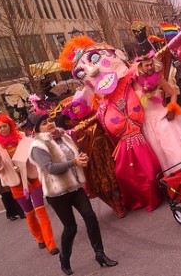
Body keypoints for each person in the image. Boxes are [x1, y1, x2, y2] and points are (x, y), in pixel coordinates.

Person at [59, 36, 163, 212]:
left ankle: (156, 194)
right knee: (125, 174)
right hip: (124, 147)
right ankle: (138, 200)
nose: (92, 72)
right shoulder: (102, 105)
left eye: (94, 58)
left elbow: (153, 76)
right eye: (82, 73)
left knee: (150, 169)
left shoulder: (132, 82)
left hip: (148, 135)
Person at [28, 113, 118, 275]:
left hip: (75, 186)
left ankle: (100, 254)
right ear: (36, 129)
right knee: (71, 228)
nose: (49, 124)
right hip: (57, 193)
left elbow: (74, 156)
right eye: (44, 123)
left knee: (90, 217)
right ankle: (65, 258)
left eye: (50, 121)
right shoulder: (37, 146)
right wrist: (73, 163)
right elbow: (50, 168)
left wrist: (81, 159)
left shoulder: (63, 136)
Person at [0, 113, 59, 255]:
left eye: (5, 126)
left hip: (32, 178)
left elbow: (35, 151)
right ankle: (40, 238)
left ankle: (51, 243)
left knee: (41, 211)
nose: (3, 129)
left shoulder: (22, 138)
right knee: (30, 214)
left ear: (10, 126)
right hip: (16, 184)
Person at [134, 51, 181, 171]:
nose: (150, 67)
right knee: (159, 154)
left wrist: (172, 108)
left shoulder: (159, 79)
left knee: (173, 149)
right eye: (147, 65)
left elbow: (173, 94)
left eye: (151, 64)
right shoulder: (134, 83)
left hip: (162, 119)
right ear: (140, 67)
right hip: (147, 124)